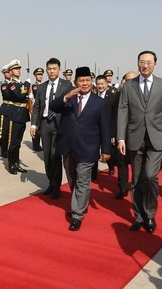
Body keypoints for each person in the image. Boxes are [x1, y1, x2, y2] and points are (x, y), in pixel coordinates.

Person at [117, 50, 162, 234]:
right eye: (142, 62)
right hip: (134, 137)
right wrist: (121, 137)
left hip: (157, 137)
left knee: (150, 176)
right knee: (136, 179)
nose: (145, 65)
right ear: (137, 63)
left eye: (149, 62)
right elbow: (123, 111)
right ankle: (139, 216)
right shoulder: (128, 86)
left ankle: (150, 213)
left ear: (155, 64)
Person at [50, 66, 111, 231]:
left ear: (91, 82)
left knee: (83, 181)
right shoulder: (69, 98)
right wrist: (65, 97)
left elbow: (105, 127)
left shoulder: (100, 103)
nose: (84, 83)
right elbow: (52, 106)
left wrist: (106, 150)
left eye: (87, 80)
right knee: (72, 179)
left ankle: (77, 214)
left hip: (88, 147)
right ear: (76, 82)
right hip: (68, 146)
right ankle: (79, 203)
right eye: (81, 80)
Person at [30, 58, 72, 199]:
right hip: (45, 124)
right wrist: (34, 124)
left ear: (59, 70)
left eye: (54, 68)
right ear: (46, 70)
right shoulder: (42, 87)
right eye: (49, 69)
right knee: (47, 156)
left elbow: (71, 105)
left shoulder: (66, 85)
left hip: (59, 125)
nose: (52, 71)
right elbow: (37, 108)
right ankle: (51, 182)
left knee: (55, 155)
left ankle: (56, 186)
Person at [113, 71, 137, 199]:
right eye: (127, 80)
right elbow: (113, 116)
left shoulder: (142, 96)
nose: (130, 83)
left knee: (136, 165)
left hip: (137, 137)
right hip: (121, 136)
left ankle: (135, 186)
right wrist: (113, 134)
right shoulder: (117, 96)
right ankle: (122, 187)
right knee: (121, 163)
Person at [4, 59, 30, 175]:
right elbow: (19, 96)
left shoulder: (20, 84)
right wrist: (27, 85)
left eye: (19, 68)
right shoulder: (12, 84)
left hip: (22, 114)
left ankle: (16, 163)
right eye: (16, 69)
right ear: (11, 71)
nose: (18, 71)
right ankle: (11, 164)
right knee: (13, 141)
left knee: (18, 141)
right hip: (15, 114)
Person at [93, 75, 118, 180]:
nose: (100, 86)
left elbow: (114, 116)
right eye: (98, 84)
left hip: (108, 128)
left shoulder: (113, 96)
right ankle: (93, 173)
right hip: (95, 129)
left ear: (106, 84)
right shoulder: (93, 96)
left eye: (102, 84)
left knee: (108, 149)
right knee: (94, 151)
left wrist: (113, 133)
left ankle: (111, 167)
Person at [0, 64, 11, 158]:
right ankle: (3, 149)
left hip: (14, 110)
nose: (9, 74)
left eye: (9, 71)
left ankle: (9, 149)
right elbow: (8, 95)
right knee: (4, 131)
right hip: (5, 108)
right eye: (6, 72)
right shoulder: (4, 85)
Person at [30, 67, 44, 152]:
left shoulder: (42, 85)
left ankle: (38, 144)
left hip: (42, 108)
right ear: (35, 76)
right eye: (38, 75)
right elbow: (37, 94)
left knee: (41, 127)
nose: (40, 76)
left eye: (41, 75)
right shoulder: (35, 86)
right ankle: (35, 145)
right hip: (37, 108)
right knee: (35, 126)